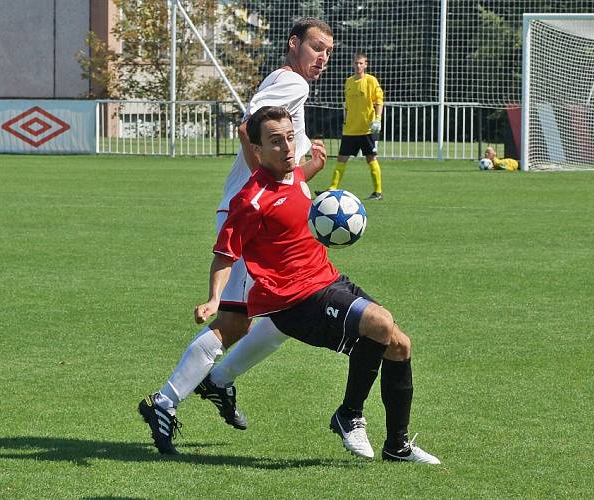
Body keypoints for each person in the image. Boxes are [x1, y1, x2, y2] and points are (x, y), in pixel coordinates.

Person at [196, 106, 440, 464]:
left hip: (326, 279)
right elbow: (225, 254)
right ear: (257, 150)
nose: (286, 147)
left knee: (400, 345)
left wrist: (316, 166)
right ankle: (349, 414)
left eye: (289, 138)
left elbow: (294, 184)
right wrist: (215, 299)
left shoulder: (294, 174)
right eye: (275, 141)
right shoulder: (249, 200)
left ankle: (397, 447)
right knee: (380, 324)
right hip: (292, 300)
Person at [138, 18, 334, 455]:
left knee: (286, 313)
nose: (322, 57)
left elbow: (269, 143)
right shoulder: (293, 85)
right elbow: (250, 128)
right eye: (316, 47)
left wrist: (302, 171)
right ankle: (165, 402)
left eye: (327, 52)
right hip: (255, 218)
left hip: (270, 215)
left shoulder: (286, 83)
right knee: (233, 323)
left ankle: (218, 380)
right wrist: (265, 184)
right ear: (294, 45)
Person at [324, 52, 385, 201]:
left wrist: (377, 119)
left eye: (361, 63)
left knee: (371, 158)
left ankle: (377, 192)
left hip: (367, 129)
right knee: (341, 158)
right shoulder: (349, 82)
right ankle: (332, 188)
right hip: (350, 129)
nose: (358, 66)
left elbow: (379, 101)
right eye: (356, 63)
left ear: (366, 65)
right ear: (353, 64)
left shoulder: (371, 81)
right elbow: (348, 106)